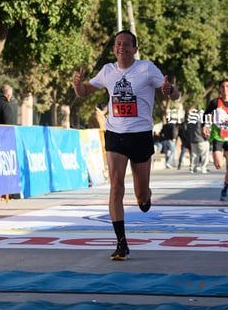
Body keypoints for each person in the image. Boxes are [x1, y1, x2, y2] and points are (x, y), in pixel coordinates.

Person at [72, 30, 179, 261]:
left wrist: (171, 90)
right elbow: (83, 93)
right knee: (116, 186)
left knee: (141, 196)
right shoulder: (107, 71)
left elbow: (174, 92)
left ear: (135, 49)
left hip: (140, 135)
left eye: (127, 44)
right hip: (115, 134)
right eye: (118, 44)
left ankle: (146, 195)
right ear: (114, 49)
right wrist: (77, 85)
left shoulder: (147, 69)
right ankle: (121, 243)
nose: (122, 48)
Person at [204, 79, 228, 201]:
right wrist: (204, 125)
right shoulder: (215, 102)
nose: (225, 89)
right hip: (217, 136)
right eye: (222, 87)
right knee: (219, 165)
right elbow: (205, 114)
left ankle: (225, 189)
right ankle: (218, 157)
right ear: (220, 89)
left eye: (227, 86)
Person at [187, 107, 209, 173]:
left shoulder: (191, 122)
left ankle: (193, 168)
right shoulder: (202, 121)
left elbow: (188, 130)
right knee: (204, 154)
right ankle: (203, 168)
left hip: (193, 140)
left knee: (194, 155)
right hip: (201, 139)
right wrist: (207, 138)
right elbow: (205, 131)